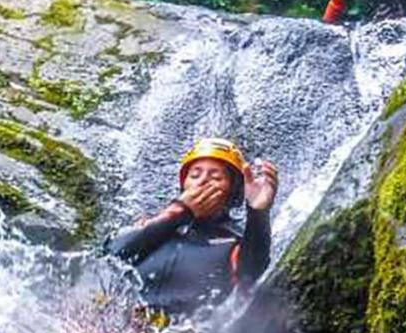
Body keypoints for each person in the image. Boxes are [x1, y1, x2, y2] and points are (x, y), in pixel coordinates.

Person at [105, 137, 279, 321]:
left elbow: (251, 271)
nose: (202, 181)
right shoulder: (151, 228)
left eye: (216, 177)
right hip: (112, 326)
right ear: (183, 185)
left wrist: (258, 213)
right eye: (195, 175)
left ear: (233, 191)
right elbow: (104, 259)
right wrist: (179, 211)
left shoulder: (233, 245)